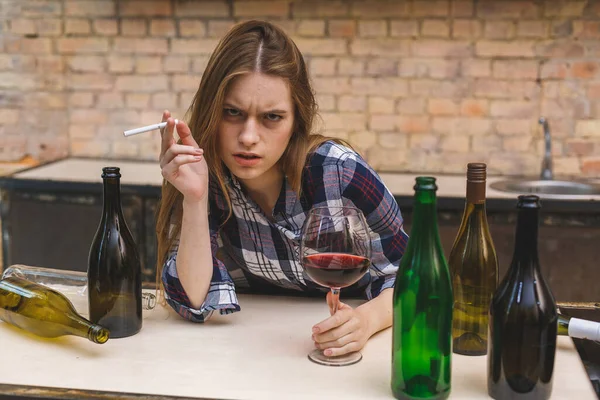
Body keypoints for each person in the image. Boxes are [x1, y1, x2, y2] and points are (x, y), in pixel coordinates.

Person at [155, 20, 408, 358]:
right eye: (233, 113)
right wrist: (195, 199)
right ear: (213, 111)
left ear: (297, 122)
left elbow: (415, 281)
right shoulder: (199, 173)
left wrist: (366, 321)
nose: (248, 137)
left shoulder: (339, 172)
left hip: (353, 356)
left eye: (271, 117)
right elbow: (193, 301)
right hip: (247, 354)